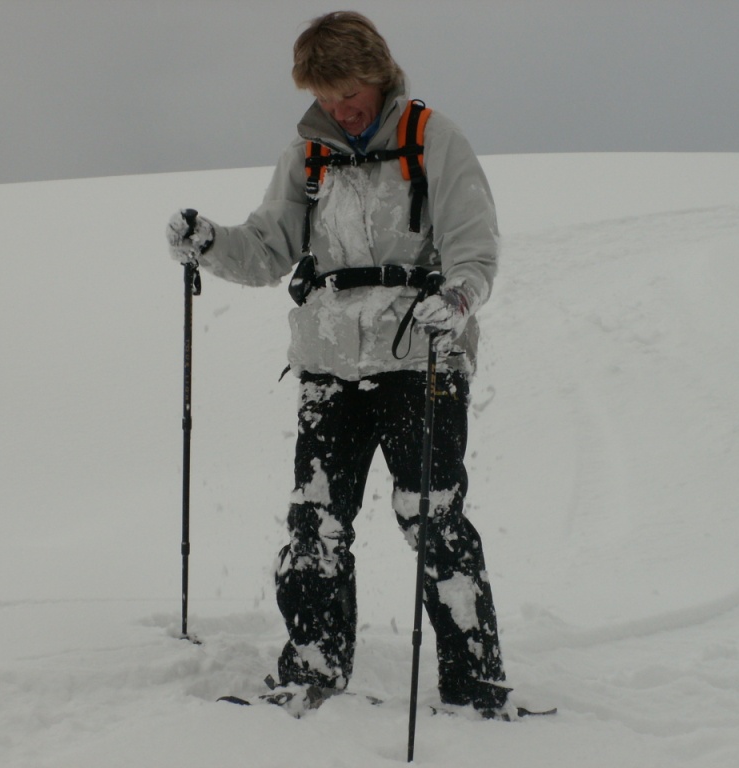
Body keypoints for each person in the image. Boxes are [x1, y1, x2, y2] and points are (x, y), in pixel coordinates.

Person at [166, 11, 508, 715]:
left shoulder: (432, 139)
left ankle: (475, 683)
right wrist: (209, 245)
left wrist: (459, 300)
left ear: (378, 76)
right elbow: (267, 248)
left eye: (347, 94)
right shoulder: (307, 155)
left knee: (430, 515)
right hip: (328, 363)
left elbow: (475, 246)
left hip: (420, 355)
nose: (339, 110)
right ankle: (313, 669)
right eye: (324, 98)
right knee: (315, 519)